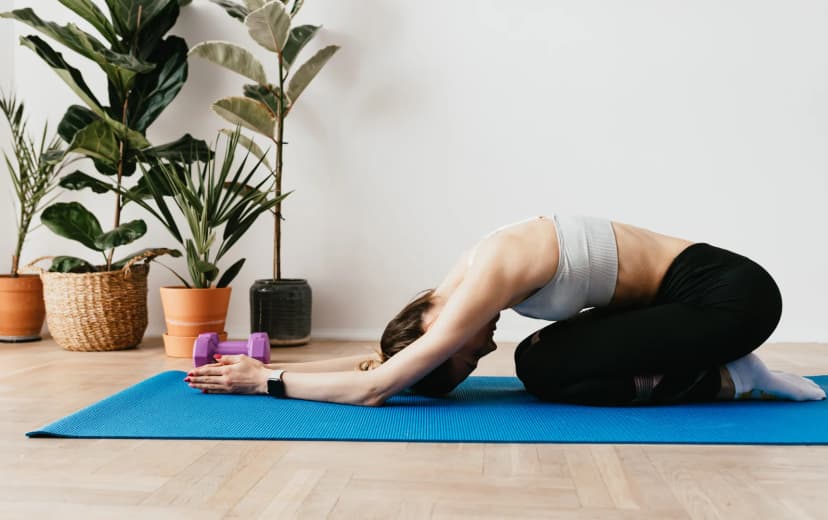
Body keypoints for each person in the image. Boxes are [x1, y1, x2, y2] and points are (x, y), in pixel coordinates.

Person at [186, 215, 825, 405]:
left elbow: (379, 386)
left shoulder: (484, 276)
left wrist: (264, 380)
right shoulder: (458, 281)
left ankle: (742, 374)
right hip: (690, 304)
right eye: (470, 361)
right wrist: (323, 365)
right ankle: (728, 372)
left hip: (731, 296)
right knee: (542, 358)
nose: (481, 347)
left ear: (429, 328)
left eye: (462, 355)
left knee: (540, 368)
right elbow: (381, 364)